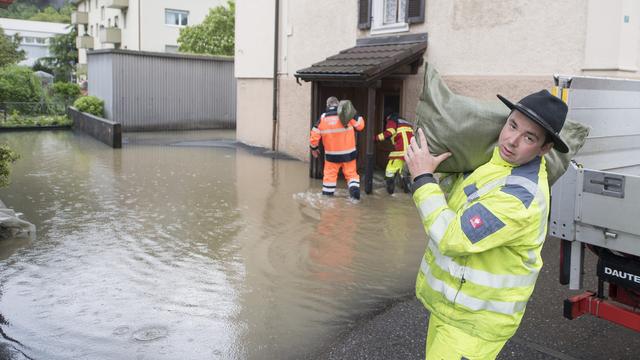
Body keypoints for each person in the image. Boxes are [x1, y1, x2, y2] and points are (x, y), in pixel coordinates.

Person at [404, 90, 569, 359]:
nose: (512, 141)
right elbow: (458, 202)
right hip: (453, 311)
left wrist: (423, 178)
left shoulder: (519, 199)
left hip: (473, 326)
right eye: (512, 125)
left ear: (544, 149)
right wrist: (437, 175)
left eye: (529, 137)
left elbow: (450, 236)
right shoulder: (495, 165)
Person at [310, 96, 365, 199]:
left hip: (332, 156)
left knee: (329, 178)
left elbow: (314, 134)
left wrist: (314, 148)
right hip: (349, 154)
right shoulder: (346, 115)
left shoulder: (322, 118)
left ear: (328, 105)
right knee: (351, 175)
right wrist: (354, 114)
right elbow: (360, 126)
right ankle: (354, 195)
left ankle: (327, 199)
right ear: (338, 104)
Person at [375, 112, 414, 194]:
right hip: (410, 153)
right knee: (404, 173)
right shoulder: (407, 123)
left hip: (400, 153)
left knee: (390, 171)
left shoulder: (392, 121)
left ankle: (390, 193)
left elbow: (390, 132)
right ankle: (408, 194)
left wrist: (376, 138)